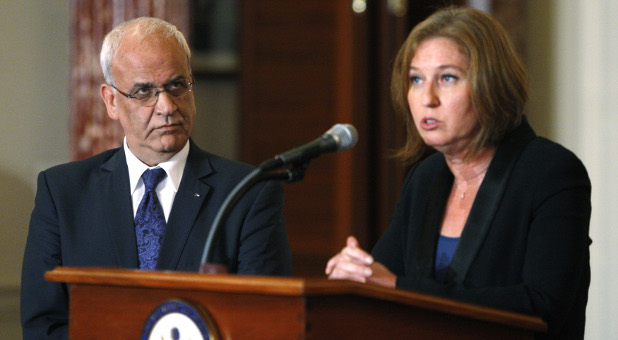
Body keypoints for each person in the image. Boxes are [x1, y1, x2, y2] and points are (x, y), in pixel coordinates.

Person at [325, 6, 591, 339]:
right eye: (416, 79)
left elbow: (541, 305)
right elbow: (382, 278)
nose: (427, 98)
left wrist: (392, 286)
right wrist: (354, 274)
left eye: (447, 78)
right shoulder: (426, 178)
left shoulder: (550, 172)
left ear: (490, 84)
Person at [21, 17, 292, 338]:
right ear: (111, 101)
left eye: (177, 85)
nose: (166, 106)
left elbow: (265, 324)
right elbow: (44, 326)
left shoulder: (247, 192)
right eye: (144, 91)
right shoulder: (62, 192)